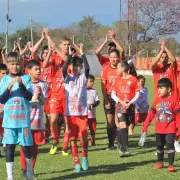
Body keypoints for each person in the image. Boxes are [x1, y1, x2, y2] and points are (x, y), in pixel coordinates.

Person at [0, 52, 34, 180]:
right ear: (8, 65)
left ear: (21, 64)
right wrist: (8, 87)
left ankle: (29, 173)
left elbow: (29, 96)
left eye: (17, 64)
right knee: (10, 148)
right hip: (9, 121)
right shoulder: (4, 79)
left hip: (23, 121)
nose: (15, 66)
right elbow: (2, 99)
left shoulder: (26, 78)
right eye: (12, 64)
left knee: (26, 148)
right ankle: (10, 177)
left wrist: (21, 84)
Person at [142, 78, 180, 172]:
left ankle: (171, 165)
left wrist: (179, 129)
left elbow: (178, 116)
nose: (159, 90)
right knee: (159, 145)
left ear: (169, 89)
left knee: (170, 145)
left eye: (161, 88)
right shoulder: (157, 100)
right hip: (159, 129)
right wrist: (145, 126)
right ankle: (160, 162)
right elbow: (151, 114)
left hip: (170, 129)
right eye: (158, 87)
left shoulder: (174, 101)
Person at [63, 44, 90, 172]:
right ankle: (76, 163)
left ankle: (84, 158)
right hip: (70, 115)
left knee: (83, 138)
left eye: (79, 65)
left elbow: (88, 68)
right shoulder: (67, 78)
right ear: (70, 67)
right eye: (74, 65)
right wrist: (69, 56)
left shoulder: (83, 78)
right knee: (72, 139)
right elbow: (63, 69)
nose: (77, 67)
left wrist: (82, 53)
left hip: (82, 114)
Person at [19, 60, 47, 178]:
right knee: (24, 146)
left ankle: (31, 169)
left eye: (39, 69)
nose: (38, 71)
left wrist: (40, 97)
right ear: (28, 70)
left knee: (35, 148)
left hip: (38, 121)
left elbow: (43, 102)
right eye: (36, 69)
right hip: (25, 120)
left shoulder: (43, 84)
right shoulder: (24, 83)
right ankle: (24, 168)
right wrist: (33, 97)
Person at [111, 60, 140, 157]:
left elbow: (137, 93)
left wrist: (130, 102)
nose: (117, 70)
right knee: (122, 124)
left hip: (130, 106)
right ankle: (124, 148)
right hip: (120, 105)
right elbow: (113, 94)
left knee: (126, 126)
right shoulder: (116, 80)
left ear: (123, 68)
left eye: (118, 67)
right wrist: (121, 101)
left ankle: (121, 145)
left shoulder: (133, 79)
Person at [101, 49, 120, 150]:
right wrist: (106, 100)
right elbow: (103, 85)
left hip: (119, 98)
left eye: (115, 57)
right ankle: (111, 144)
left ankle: (121, 143)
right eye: (111, 57)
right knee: (110, 122)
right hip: (108, 98)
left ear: (118, 58)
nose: (113, 59)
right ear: (109, 58)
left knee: (120, 121)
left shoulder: (122, 69)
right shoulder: (105, 69)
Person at [87, 74, 100, 146]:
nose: (92, 83)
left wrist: (92, 105)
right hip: (84, 114)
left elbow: (97, 101)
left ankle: (93, 140)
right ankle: (83, 141)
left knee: (93, 129)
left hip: (92, 115)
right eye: (90, 81)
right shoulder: (82, 90)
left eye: (93, 81)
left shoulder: (94, 91)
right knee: (84, 129)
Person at [0, 63, 7, 157]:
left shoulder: (8, 83)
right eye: (3, 73)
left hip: (6, 112)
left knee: (5, 130)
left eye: (6, 73)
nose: (5, 75)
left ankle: (5, 147)